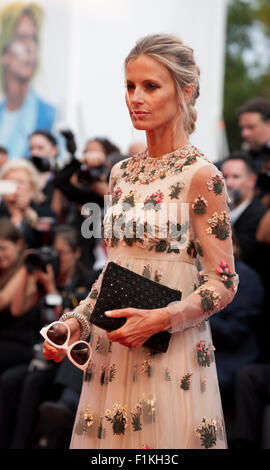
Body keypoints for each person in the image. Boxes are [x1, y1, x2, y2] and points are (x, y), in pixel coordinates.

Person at [42, 34, 238, 449]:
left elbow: (224, 282)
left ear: (185, 92)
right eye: (130, 86)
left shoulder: (203, 176)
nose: (136, 97)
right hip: (113, 351)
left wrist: (163, 317)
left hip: (172, 353)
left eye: (151, 86)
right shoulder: (121, 173)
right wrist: (72, 324)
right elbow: (114, 272)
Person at [0, 3, 57, 158]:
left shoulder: (50, 115)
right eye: (22, 38)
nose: (30, 47)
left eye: (33, 39)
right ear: (4, 53)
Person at [0, 158, 55, 248]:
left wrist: (27, 214)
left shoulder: (45, 214)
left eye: (20, 182)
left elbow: (44, 243)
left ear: (32, 187)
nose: (16, 187)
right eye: (10, 182)